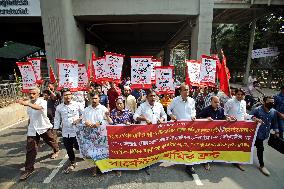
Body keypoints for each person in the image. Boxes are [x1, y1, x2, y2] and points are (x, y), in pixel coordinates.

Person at [17, 87, 59, 181]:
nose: (31, 95)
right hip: (32, 129)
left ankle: (56, 150)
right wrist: (29, 126)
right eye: (30, 93)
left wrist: (27, 103)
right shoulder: (29, 103)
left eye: (34, 93)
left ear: (38, 94)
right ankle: (28, 169)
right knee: (30, 149)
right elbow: (30, 117)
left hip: (43, 127)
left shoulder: (42, 101)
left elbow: (38, 108)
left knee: (50, 140)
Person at [224, 88, 257, 171]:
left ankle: (236, 161)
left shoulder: (244, 102)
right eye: (238, 94)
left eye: (241, 94)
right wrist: (228, 117)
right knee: (228, 143)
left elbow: (244, 114)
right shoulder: (230, 102)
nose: (239, 96)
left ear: (244, 95)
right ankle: (221, 157)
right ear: (235, 94)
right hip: (230, 127)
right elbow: (224, 113)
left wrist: (252, 117)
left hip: (241, 127)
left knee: (238, 144)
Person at [167, 83, 196, 176]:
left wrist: (193, 116)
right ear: (180, 91)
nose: (187, 91)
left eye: (188, 90)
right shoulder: (175, 101)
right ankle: (178, 160)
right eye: (185, 90)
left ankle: (189, 166)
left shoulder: (192, 100)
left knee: (189, 146)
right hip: (178, 128)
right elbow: (168, 109)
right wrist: (172, 116)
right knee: (179, 146)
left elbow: (193, 111)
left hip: (189, 128)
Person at [54, 88, 84, 174]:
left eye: (69, 94)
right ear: (62, 97)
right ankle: (72, 162)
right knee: (69, 148)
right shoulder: (59, 107)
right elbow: (57, 119)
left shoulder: (77, 104)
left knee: (79, 147)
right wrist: (55, 131)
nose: (67, 97)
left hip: (77, 131)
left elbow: (84, 114)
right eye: (65, 95)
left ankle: (86, 156)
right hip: (66, 132)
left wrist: (79, 119)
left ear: (72, 95)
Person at [197, 96, 231, 170]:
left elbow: (223, 117)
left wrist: (227, 118)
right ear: (211, 102)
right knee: (207, 147)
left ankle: (214, 158)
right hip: (207, 133)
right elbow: (198, 118)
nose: (217, 104)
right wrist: (206, 119)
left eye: (218, 102)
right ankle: (206, 162)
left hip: (217, 133)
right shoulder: (206, 110)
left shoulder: (221, 110)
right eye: (215, 102)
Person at [82, 92, 113, 175]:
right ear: (90, 99)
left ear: (99, 99)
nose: (94, 100)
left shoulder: (103, 109)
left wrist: (100, 123)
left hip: (102, 135)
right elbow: (83, 120)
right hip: (90, 135)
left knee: (103, 151)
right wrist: (86, 122)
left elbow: (109, 121)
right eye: (92, 99)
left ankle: (104, 167)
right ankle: (94, 167)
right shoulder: (86, 109)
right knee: (93, 152)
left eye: (96, 98)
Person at [250, 96, 279, 176]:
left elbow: (275, 122)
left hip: (265, 134)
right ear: (264, 102)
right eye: (269, 102)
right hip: (256, 133)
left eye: (273, 102)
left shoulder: (273, 111)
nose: (271, 104)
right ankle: (262, 165)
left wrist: (276, 131)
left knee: (252, 146)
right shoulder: (257, 110)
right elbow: (250, 117)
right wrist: (254, 119)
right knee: (260, 148)